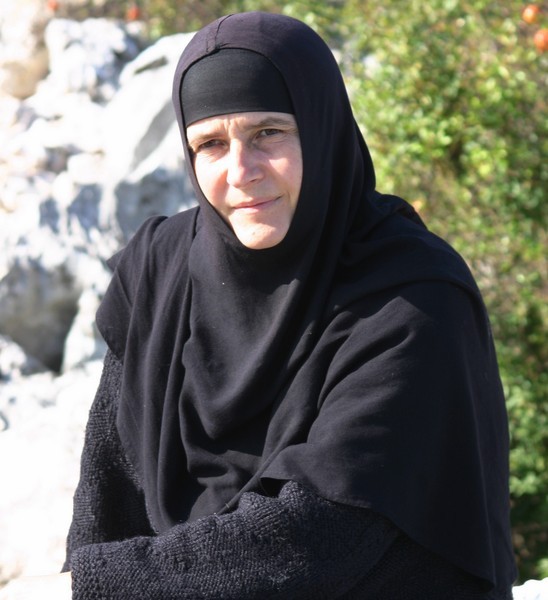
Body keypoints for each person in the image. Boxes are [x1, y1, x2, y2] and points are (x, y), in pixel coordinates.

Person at [0, 11, 517, 599]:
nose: (240, 172)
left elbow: (322, 536)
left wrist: (92, 587)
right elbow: (108, 488)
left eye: (268, 133)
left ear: (320, 129)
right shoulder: (160, 271)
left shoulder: (413, 297)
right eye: (210, 144)